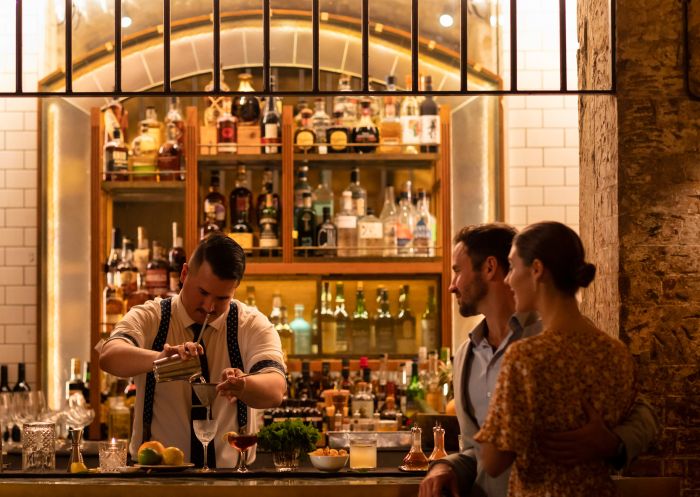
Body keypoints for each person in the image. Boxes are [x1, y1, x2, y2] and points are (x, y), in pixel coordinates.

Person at [418, 223, 658, 497]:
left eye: (457, 271)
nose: (451, 286)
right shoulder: (464, 356)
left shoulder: (556, 340)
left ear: (490, 267)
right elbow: (477, 452)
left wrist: (614, 443)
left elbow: (644, 413)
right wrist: (445, 466)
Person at [474, 221, 636, 496]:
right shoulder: (617, 353)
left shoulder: (526, 356)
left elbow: (493, 462)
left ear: (537, 270)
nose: (507, 279)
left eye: (512, 267)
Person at [98, 233, 286, 468]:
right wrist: (159, 358)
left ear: (235, 289)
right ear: (185, 274)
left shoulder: (251, 324)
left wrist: (244, 384)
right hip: (156, 481)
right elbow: (109, 356)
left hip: (232, 482)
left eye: (222, 298)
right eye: (203, 292)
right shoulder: (152, 317)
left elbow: (276, 389)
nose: (209, 307)